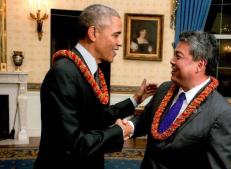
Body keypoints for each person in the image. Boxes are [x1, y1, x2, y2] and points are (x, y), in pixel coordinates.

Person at [33, 4, 157, 169]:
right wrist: (119, 132)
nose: (120, 43)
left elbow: (97, 116)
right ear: (93, 33)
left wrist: (135, 99)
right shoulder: (64, 72)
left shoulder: (89, 70)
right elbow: (73, 145)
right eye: (116, 35)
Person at [129, 31, 231, 169]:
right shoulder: (164, 89)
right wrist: (128, 127)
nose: (171, 60)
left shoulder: (222, 114)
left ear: (200, 65)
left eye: (178, 56)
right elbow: (145, 120)